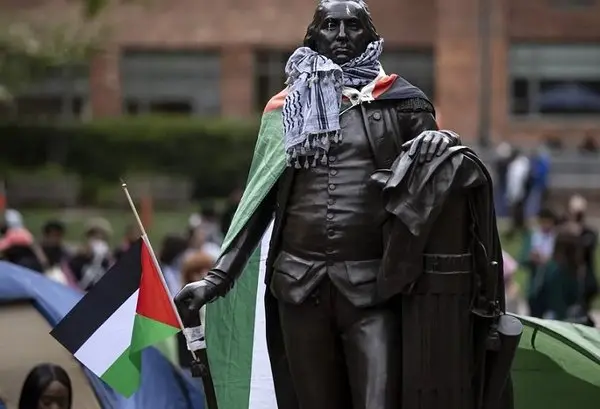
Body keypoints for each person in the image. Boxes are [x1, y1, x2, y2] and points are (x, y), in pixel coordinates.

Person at [175, 1, 510, 409]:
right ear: (313, 35)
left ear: (370, 37)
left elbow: (437, 182)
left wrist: (443, 141)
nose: (341, 35)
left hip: (373, 289)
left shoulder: (403, 103)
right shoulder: (286, 109)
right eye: (330, 25)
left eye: (353, 26)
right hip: (299, 287)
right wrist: (216, 280)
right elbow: (259, 202)